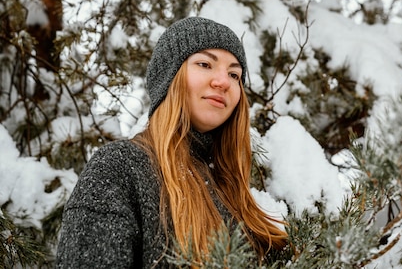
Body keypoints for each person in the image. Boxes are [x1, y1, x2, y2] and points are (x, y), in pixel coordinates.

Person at [55, 16, 287, 268]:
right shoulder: (119, 167)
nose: (223, 82)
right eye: (205, 64)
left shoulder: (234, 188)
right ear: (169, 78)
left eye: (234, 74)